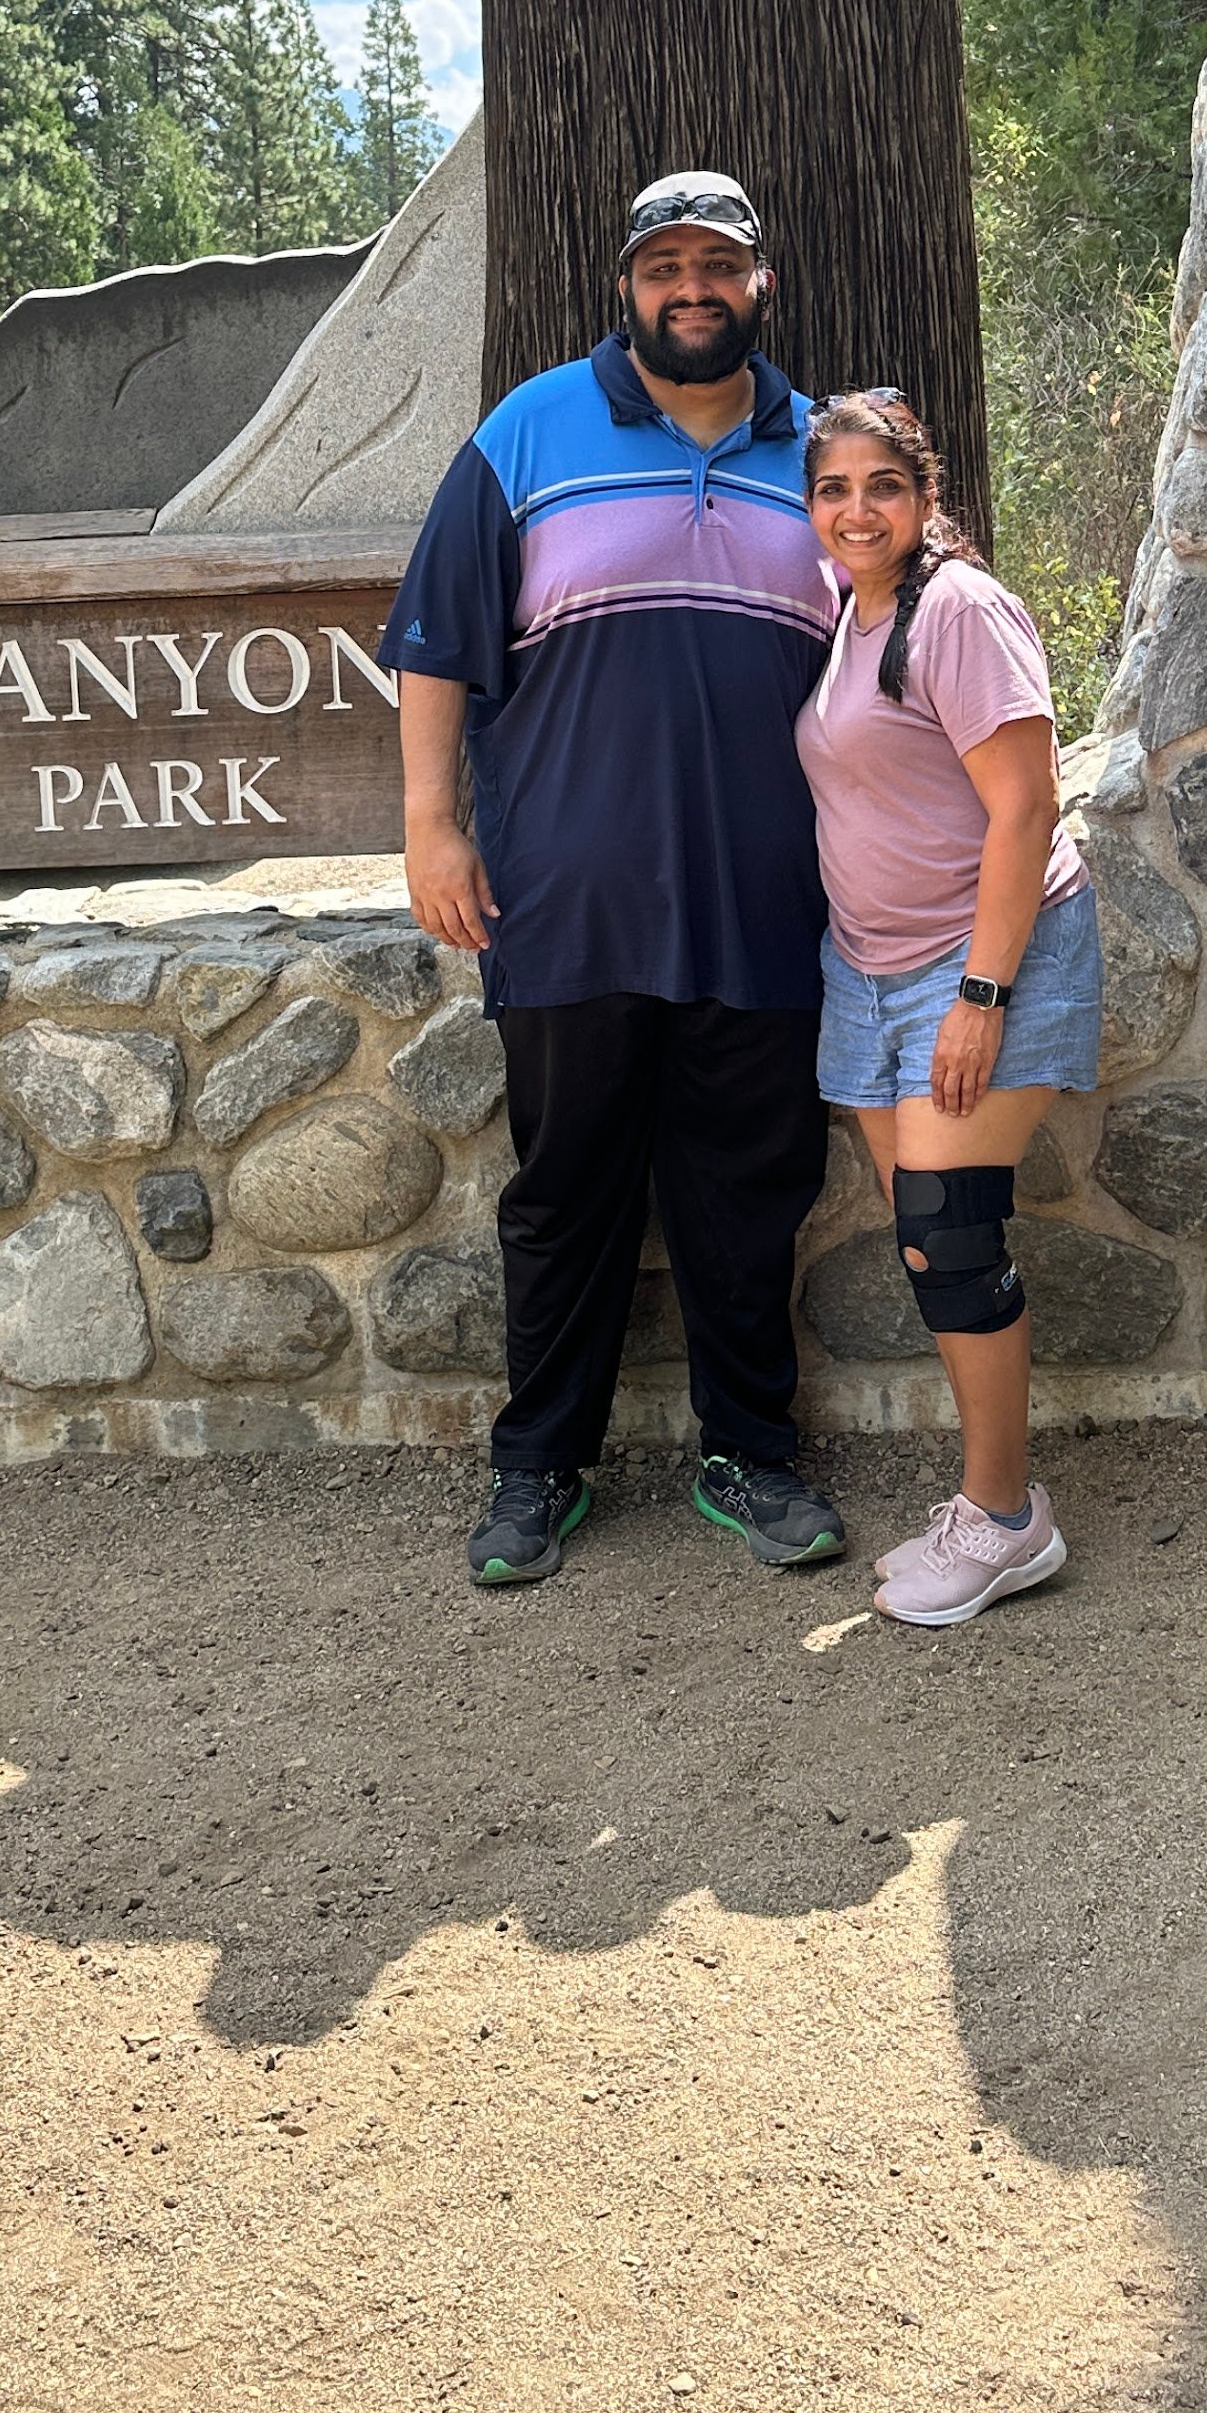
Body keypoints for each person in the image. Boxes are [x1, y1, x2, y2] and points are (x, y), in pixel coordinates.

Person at [384, 170, 849, 1588]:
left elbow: (902, 654)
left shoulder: (824, 454)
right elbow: (433, 644)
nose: (691, 287)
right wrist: (430, 823)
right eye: (666, 266)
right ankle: (538, 1472)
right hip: (568, 899)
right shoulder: (530, 430)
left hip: (768, 901)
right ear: (629, 283)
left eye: (719, 263)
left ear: (760, 282)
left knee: (748, 1191)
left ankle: (751, 1456)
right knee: (566, 1193)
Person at [795, 389, 1102, 1628]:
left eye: (882, 486)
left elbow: (1026, 810)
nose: (856, 510)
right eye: (832, 490)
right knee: (932, 1244)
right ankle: (989, 1503)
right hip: (864, 972)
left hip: (972, 968)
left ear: (925, 497)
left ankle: (1009, 1519)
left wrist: (981, 998)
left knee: (951, 1239)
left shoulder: (959, 611)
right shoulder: (844, 611)